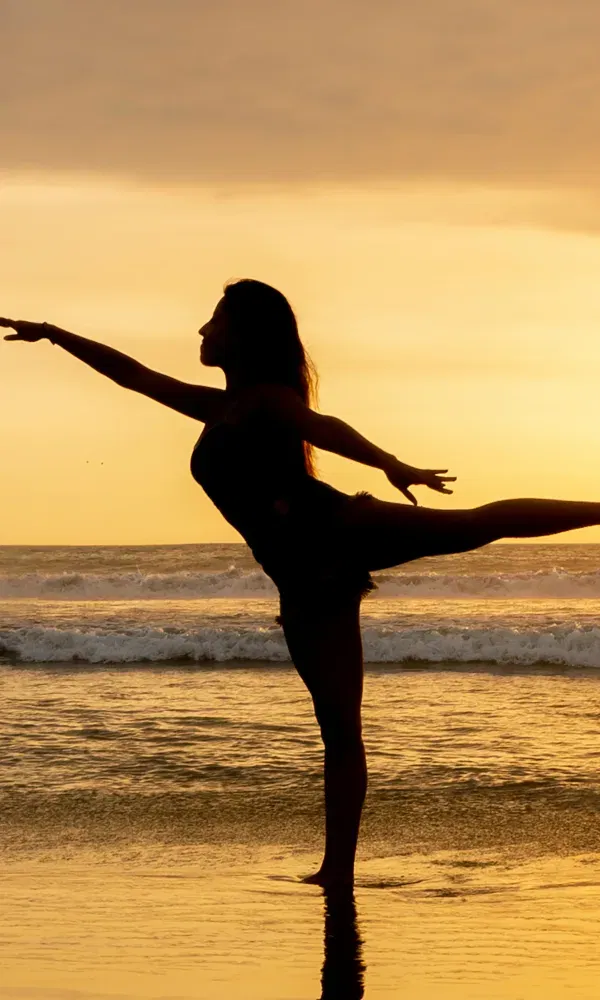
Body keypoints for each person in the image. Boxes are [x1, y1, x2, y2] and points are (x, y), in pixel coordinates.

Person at [4, 277, 600, 888]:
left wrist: (389, 462)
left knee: (475, 525)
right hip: (306, 583)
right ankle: (335, 871)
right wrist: (54, 335)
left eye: (215, 320)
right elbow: (132, 376)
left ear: (244, 334)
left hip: (336, 530)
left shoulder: (267, 399)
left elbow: (324, 426)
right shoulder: (221, 406)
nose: (203, 331)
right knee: (339, 727)